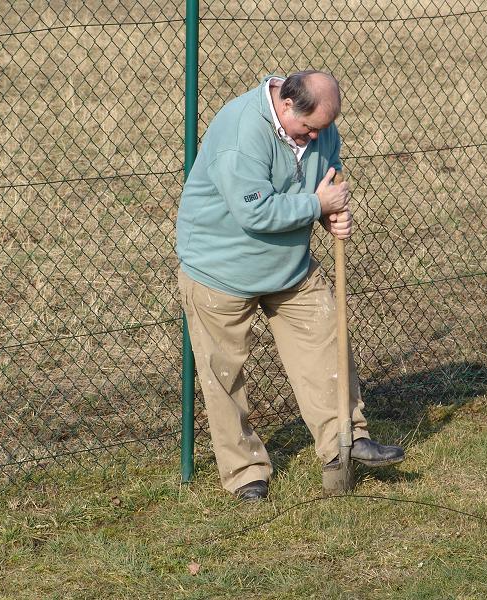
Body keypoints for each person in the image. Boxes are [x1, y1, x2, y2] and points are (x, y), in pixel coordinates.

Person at [176, 70, 404, 501]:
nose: (318, 136)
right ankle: (246, 474)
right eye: (311, 128)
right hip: (220, 269)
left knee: (326, 343)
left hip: (290, 268)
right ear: (285, 106)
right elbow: (255, 213)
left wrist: (328, 212)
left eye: (324, 127)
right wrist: (317, 205)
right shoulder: (241, 133)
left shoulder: (319, 126)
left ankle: (346, 441)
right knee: (224, 376)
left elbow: (325, 181)